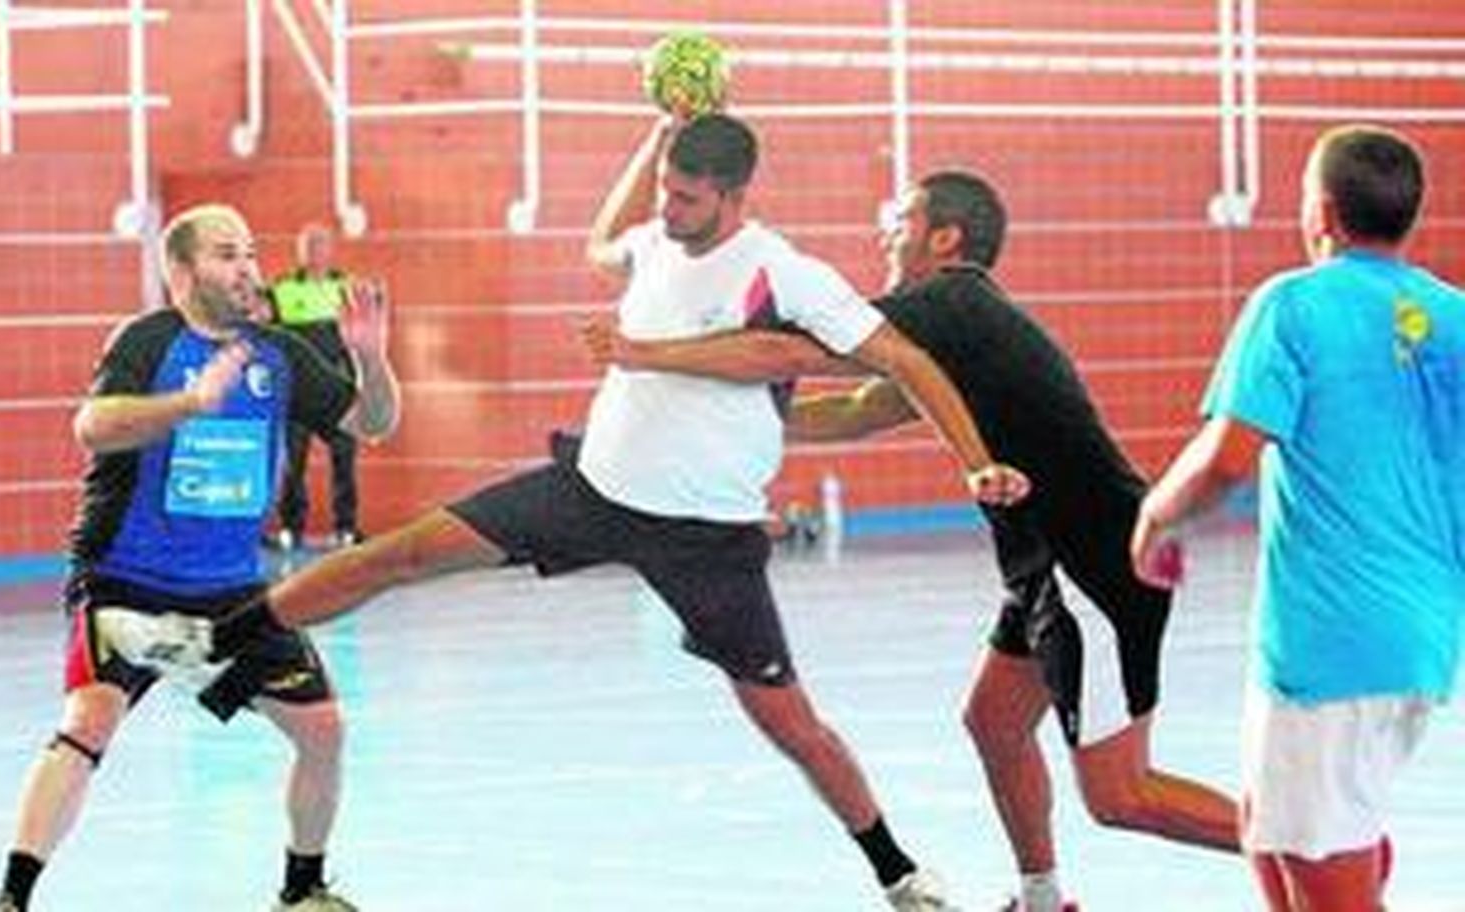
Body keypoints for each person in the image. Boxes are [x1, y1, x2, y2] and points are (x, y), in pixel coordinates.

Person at [101, 114, 1030, 911]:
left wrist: (978, 462)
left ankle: (898, 872)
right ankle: (212, 641)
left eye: (688, 198)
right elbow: (600, 241)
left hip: (707, 538)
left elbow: (907, 363)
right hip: (592, 490)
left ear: (735, 197)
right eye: (665, 189)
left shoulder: (787, 274)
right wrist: (653, 136)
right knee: (404, 551)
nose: (668, 210)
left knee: (792, 727)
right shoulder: (656, 238)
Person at [580, 169, 1243, 911]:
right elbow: (860, 410)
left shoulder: (950, 299)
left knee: (1121, 796)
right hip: (1044, 567)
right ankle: (1043, 898)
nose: (884, 230)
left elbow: (799, 350)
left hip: (1087, 561)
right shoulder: (954, 330)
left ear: (946, 238)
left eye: (901, 218)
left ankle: (1312, 848)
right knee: (994, 724)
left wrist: (656, 352)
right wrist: (712, 415)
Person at [0, 203, 400, 912]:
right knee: (88, 721)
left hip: (230, 589)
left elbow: (374, 423)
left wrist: (370, 357)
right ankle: (11, 899)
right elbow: (94, 426)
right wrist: (188, 403)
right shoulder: (148, 341)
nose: (247, 268)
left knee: (323, 730)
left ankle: (302, 892)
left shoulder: (279, 354)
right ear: (181, 271)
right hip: (124, 577)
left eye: (250, 253)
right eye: (226, 254)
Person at [1131, 124, 1462, 912]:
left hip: (1334, 641)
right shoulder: (1455, 315)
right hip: (1420, 634)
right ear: (1409, 216)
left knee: (1327, 876)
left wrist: (1154, 518)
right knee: (1268, 829)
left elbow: (1226, 458)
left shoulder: (1292, 305)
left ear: (1319, 211)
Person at [270, 223, 364, 550]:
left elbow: (361, 343)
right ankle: (290, 529)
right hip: (296, 392)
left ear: (331, 248)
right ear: (299, 250)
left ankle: (346, 529)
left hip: (338, 391)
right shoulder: (281, 289)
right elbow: (270, 341)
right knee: (292, 464)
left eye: (320, 244)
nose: (313, 250)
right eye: (307, 244)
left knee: (344, 461)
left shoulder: (348, 288)